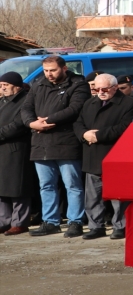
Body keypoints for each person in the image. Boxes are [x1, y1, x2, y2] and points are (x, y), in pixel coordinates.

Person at [21, 55, 91, 238]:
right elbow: (26, 108)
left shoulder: (78, 84)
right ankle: (50, 221)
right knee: (46, 185)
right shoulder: (38, 84)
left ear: (64, 68)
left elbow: (75, 109)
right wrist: (31, 123)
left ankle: (75, 221)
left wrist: (48, 120)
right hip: (40, 142)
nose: (49, 74)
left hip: (66, 141)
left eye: (53, 70)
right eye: (46, 70)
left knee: (73, 185)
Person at [73, 74, 133, 240]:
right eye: (96, 89)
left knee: (118, 196)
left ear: (115, 88)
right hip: (92, 154)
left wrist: (99, 136)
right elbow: (78, 123)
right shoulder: (89, 103)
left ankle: (120, 226)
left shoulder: (129, 104)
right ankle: (96, 226)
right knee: (93, 196)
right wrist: (84, 134)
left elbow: (124, 127)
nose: (100, 92)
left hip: (114, 154)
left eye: (104, 89)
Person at [0, 72, 36, 236]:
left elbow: (19, 125)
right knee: (3, 187)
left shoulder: (25, 100)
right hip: (3, 149)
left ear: (16, 85)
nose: (2, 88)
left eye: (5, 85)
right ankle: (4, 221)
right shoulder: (3, 101)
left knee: (18, 187)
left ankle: (19, 222)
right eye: (1, 85)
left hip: (17, 149)